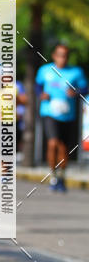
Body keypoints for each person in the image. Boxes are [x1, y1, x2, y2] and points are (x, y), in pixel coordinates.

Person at [36, 43, 87, 192]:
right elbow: (38, 85)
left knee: (64, 147)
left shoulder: (76, 72)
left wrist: (76, 92)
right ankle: (53, 175)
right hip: (49, 112)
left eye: (65, 56)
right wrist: (41, 94)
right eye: (60, 55)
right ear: (54, 56)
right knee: (53, 143)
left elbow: (84, 87)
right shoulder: (45, 70)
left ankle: (61, 176)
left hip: (67, 114)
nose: (62, 59)